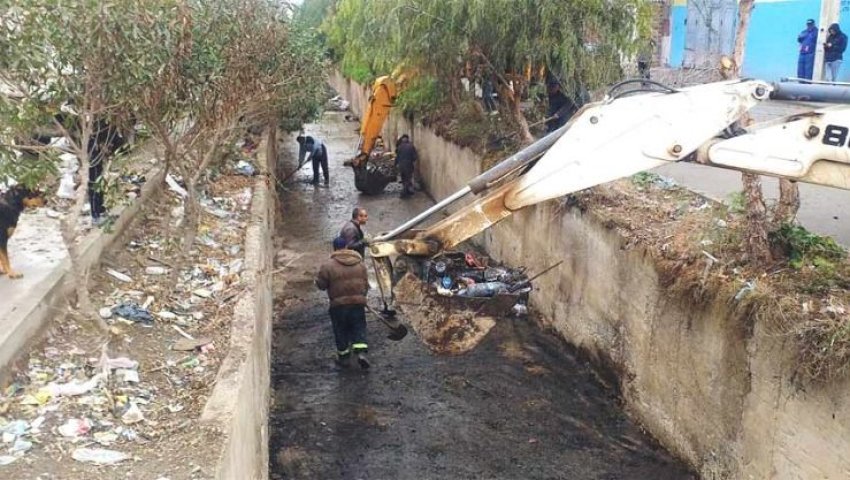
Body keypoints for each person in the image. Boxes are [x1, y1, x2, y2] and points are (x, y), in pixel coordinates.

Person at [316, 236, 370, 370]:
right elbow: (365, 284)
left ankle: (344, 358)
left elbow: (322, 285)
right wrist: (362, 297)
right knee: (358, 327)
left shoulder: (328, 266)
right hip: (358, 303)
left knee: (340, 330)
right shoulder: (360, 263)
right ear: (346, 247)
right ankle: (361, 353)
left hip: (338, 305)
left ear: (334, 248)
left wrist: (318, 282)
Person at [88, 119, 126, 225]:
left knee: (98, 183)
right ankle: (95, 216)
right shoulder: (101, 125)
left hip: (96, 155)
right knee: (95, 184)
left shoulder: (104, 123)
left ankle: (100, 211)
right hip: (93, 157)